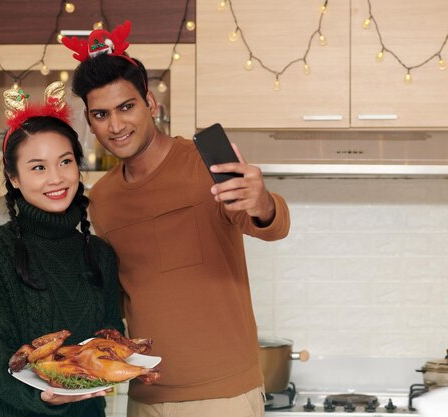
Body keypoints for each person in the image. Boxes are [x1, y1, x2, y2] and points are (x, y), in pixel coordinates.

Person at [63, 23, 290, 417]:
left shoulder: (206, 163)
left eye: (126, 107)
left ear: (150, 103)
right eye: (101, 114)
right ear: (88, 119)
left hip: (224, 396)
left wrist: (263, 202)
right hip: (145, 396)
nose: (116, 126)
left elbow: (272, 225)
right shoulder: (101, 200)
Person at [0, 82, 124, 417]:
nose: (56, 178)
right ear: (13, 177)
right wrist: (40, 399)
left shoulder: (101, 255)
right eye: (38, 167)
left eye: (65, 162)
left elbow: (107, 338)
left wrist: (124, 358)